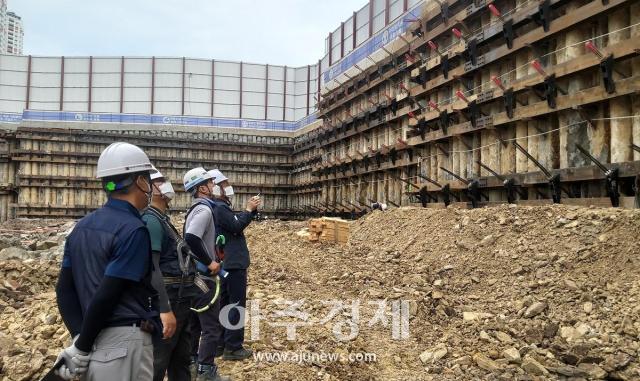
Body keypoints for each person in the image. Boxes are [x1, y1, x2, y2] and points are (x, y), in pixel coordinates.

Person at [54, 142, 160, 381]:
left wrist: (79, 338)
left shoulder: (81, 228)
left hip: (92, 344)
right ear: (141, 182)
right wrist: (82, 344)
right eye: (148, 179)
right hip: (124, 344)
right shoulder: (134, 230)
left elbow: (64, 290)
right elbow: (108, 292)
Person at [143, 170, 199, 381]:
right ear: (150, 188)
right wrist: (164, 309)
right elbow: (152, 266)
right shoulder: (152, 222)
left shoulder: (162, 219)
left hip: (181, 299)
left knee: (180, 358)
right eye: (160, 182)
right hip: (168, 300)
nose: (167, 185)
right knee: (159, 359)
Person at [182, 167, 230, 381]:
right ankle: (206, 371)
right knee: (211, 327)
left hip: (194, 277)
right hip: (205, 279)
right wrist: (210, 262)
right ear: (201, 187)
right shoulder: (204, 210)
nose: (213, 185)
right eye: (210, 182)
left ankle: (192, 365)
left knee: (194, 323)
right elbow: (192, 238)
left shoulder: (195, 208)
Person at [207, 169, 260, 361]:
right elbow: (236, 225)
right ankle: (233, 346)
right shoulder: (220, 208)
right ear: (217, 188)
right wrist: (248, 210)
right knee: (236, 304)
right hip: (233, 263)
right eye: (225, 184)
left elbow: (235, 223)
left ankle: (222, 343)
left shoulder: (218, 207)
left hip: (227, 263)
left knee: (225, 302)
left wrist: (250, 213)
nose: (229, 188)